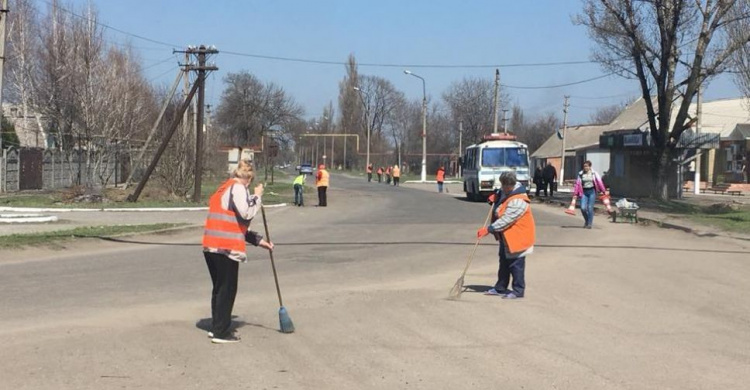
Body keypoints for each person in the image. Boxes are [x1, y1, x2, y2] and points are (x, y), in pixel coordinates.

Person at [202, 159, 274, 344]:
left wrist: (259, 241)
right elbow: (246, 214)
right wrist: (257, 197)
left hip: (212, 245)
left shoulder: (223, 188)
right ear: (248, 179)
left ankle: (217, 326)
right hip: (225, 247)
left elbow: (237, 223)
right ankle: (221, 332)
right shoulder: (238, 188)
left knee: (220, 289)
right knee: (227, 289)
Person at [477, 171, 536, 299]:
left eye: (505, 186)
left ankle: (518, 290)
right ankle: (500, 287)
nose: (503, 188)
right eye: (502, 185)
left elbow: (506, 220)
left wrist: (489, 229)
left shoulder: (519, 201)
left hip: (518, 236)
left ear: (512, 185)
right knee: (503, 261)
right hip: (507, 236)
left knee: (516, 264)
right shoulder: (506, 190)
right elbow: (500, 200)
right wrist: (494, 197)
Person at [573, 160, 607, 229]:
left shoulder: (594, 173)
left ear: (590, 166)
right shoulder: (581, 174)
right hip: (584, 192)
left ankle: (589, 224)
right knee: (582, 208)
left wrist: (603, 191)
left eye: (587, 166)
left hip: (592, 192)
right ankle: (587, 220)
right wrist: (575, 193)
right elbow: (577, 184)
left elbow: (599, 182)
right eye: (584, 166)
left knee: (590, 208)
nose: (585, 168)